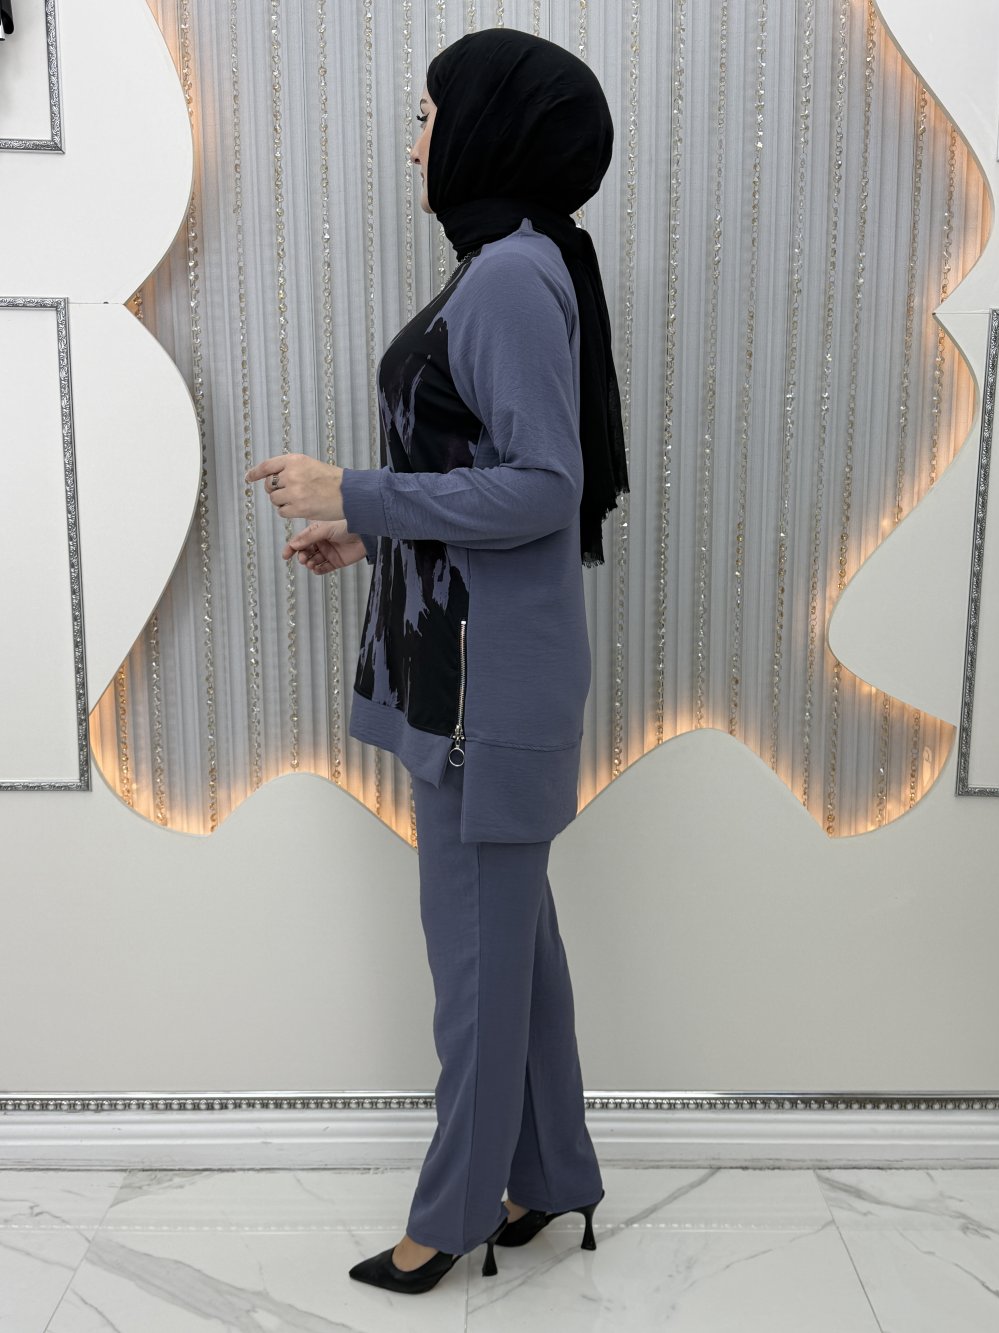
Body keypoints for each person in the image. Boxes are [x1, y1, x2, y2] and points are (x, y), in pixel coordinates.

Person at [247, 27, 627, 1296]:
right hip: (470, 663)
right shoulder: (510, 263)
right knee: (514, 951)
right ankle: (550, 1173)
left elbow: (543, 485)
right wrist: (372, 532)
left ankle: (454, 1211)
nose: (414, 145)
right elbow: (482, 471)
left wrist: (355, 487)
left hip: (484, 684)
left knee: (473, 964)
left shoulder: (509, 275)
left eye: (425, 116)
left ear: (488, 128)